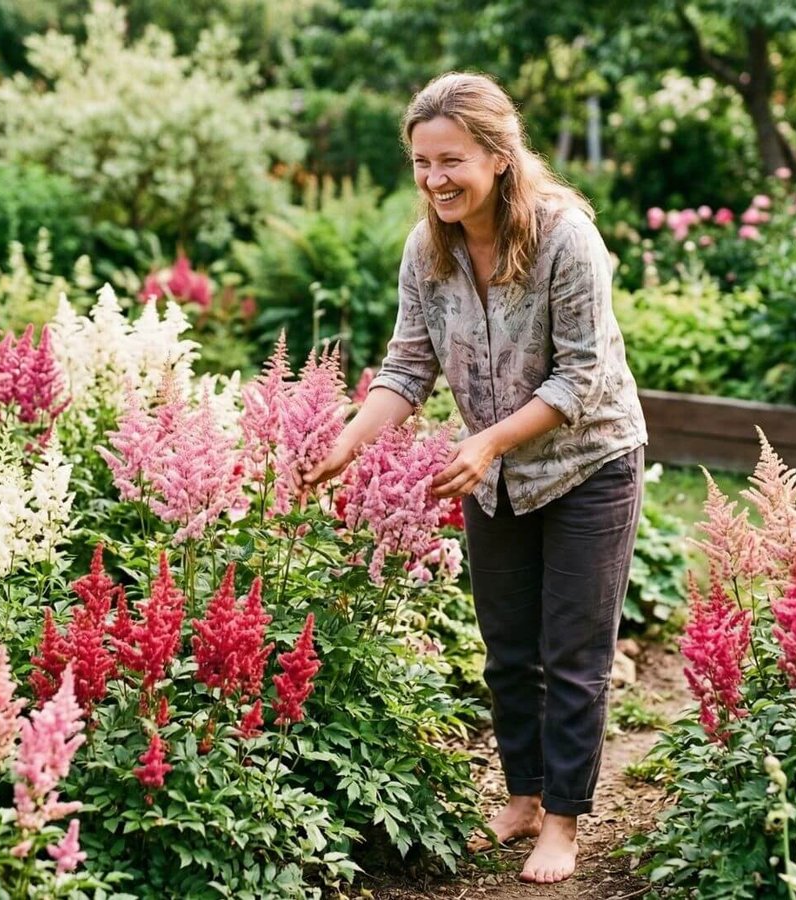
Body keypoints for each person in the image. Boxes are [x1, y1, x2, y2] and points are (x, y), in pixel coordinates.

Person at [303, 72, 647, 885]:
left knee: (572, 652)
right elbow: (409, 364)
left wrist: (488, 441)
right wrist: (347, 441)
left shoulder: (567, 238)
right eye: (421, 163)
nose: (435, 180)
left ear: (498, 154)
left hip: (587, 464)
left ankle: (562, 822)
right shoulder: (429, 250)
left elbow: (582, 378)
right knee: (506, 652)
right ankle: (524, 796)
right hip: (492, 476)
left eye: (450, 160)